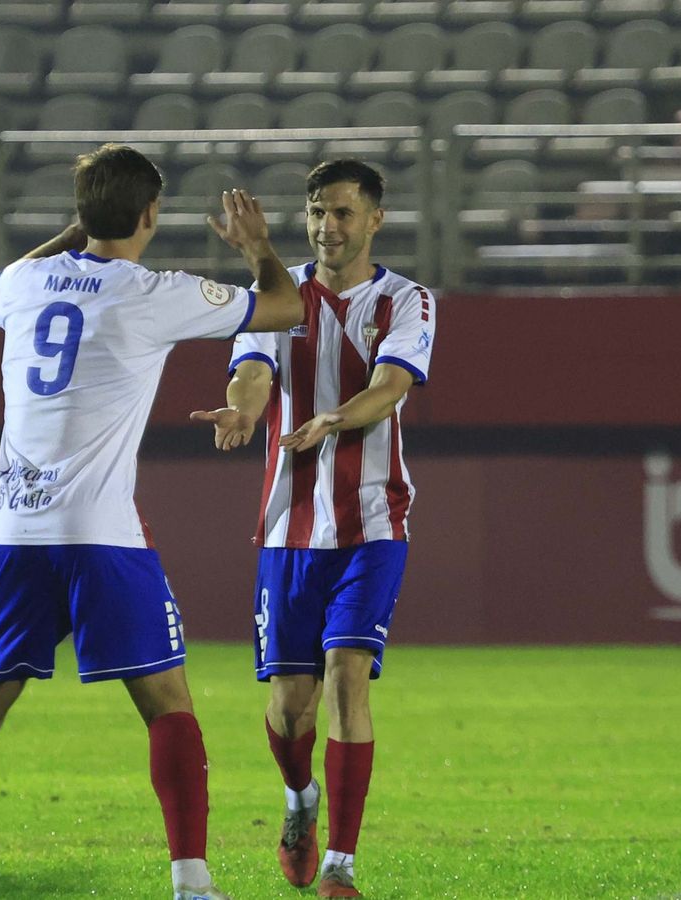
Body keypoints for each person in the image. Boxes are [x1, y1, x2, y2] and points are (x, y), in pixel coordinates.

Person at [0, 145, 303, 900]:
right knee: (167, 704)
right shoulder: (152, 292)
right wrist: (258, 248)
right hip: (103, 534)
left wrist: (76, 232)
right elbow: (285, 307)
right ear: (151, 215)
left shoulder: (21, 284)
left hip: (16, 534)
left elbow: (0, 281)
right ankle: (191, 882)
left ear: (80, 214)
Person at [191, 159, 437, 899]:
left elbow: (392, 386)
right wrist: (242, 406)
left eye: (343, 213)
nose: (328, 226)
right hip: (288, 530)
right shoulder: (278, 295)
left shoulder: (406, 300)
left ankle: (341, 865)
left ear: (374, 220)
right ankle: (300, 801)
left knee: (346, 679)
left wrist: (336, 415)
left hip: (372, 522)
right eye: (317, 213)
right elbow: (254, 372)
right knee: (289, 705)